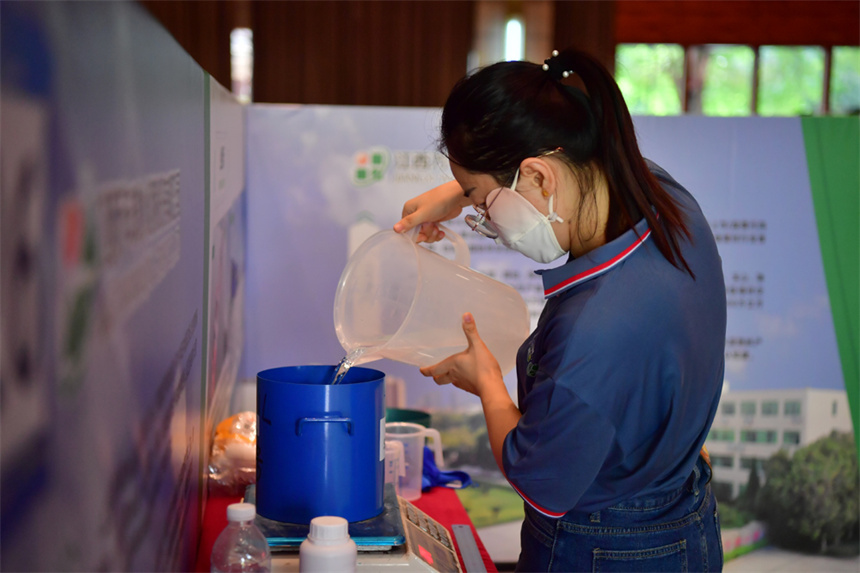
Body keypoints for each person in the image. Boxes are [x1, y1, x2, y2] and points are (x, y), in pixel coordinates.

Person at [394, 48, 726, 572]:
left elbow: (541, 481)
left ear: (540, 176)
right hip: (687, 521)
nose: (484, 221)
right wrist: (459, 193)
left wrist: (488, 382)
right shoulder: (665, 201)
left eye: (482, 204)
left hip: (608, 550)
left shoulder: (594, 327)